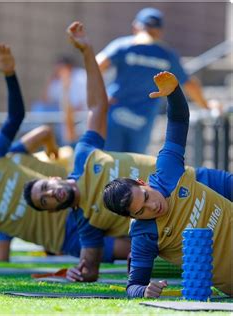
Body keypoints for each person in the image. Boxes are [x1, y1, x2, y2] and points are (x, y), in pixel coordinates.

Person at [23, 21, 231, 284]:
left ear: (52, 177)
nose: (51, 194)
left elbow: (97, 106)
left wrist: (87, 52)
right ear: (53, 211)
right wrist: (80, 272)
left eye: (45, 188)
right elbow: (91, 269)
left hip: (199, 184)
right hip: (187, 231)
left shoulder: (84, 156)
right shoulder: (87, 224)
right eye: (46, 201)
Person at [103, 71, 232, 298]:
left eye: (146, 197)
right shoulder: (144, 234)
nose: (152, 207)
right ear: (131, 217)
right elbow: (133, 286)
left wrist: (173, 93)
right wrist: (144, 290)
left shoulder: (167, 171)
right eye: (140, 211)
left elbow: (179, 120)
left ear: (143, 183)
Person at [0, 44, 128, 264]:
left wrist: (9, 74)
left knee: (133, 208)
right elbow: (2, 253)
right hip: (66, 237)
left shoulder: (1, 155)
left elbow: (18, 118)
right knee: (133, 249)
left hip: (80, 191)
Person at [97, 7, 219, 153]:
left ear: (136, 26)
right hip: (142, 121)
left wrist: (100, 94)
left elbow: (96, 65)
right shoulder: (167, 54)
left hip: (114, 114)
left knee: (108, 163)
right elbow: (190, 84)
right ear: (160, 31)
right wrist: (207, 106)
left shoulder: (125, 45)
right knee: (134, 167)